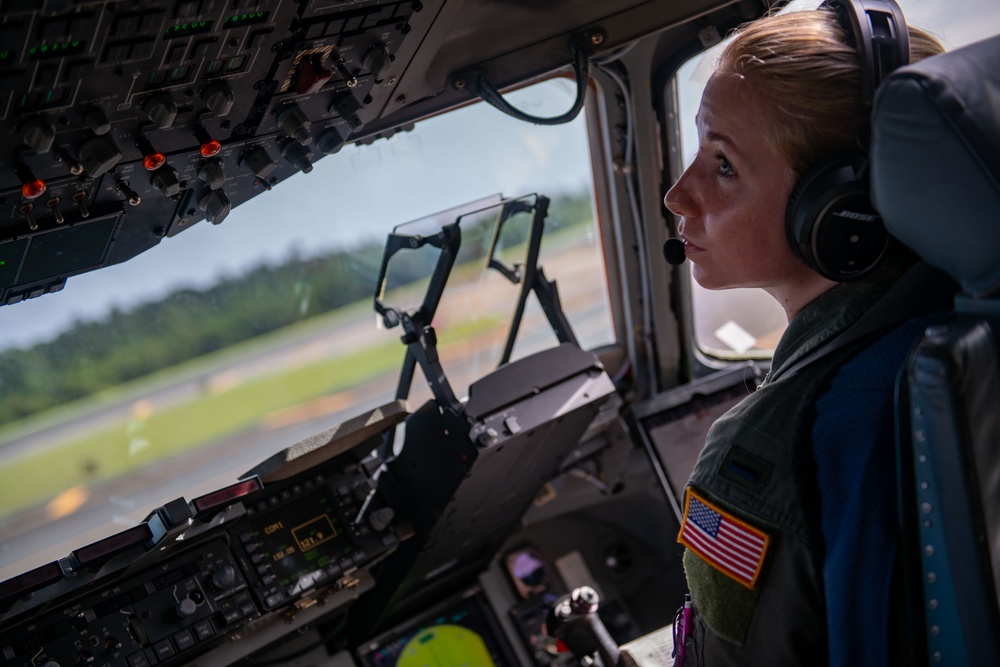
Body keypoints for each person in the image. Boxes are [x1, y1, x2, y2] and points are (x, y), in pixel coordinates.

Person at [662, 4, 948, 666]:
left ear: (841, 208)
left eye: (723, 164)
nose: (680, 194)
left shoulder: (770, 446)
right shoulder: (960, 324)